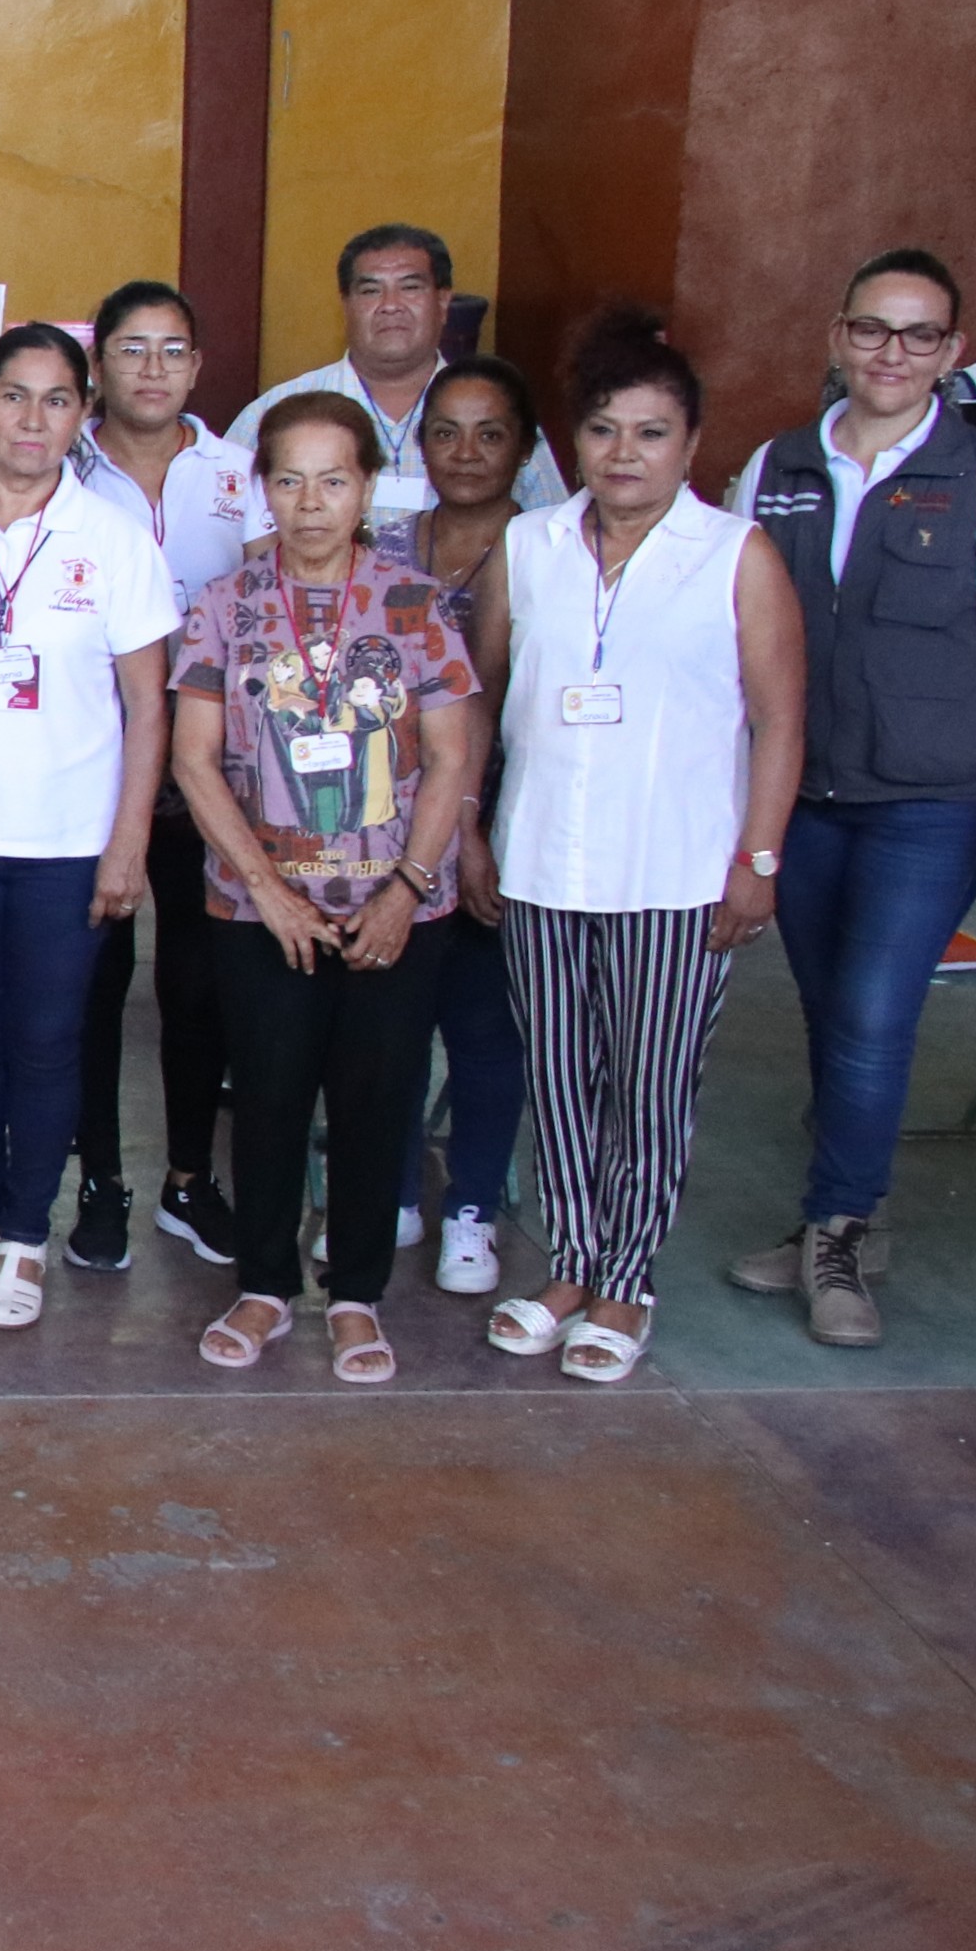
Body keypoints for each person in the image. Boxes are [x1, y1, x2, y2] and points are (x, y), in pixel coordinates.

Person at [725, 248, 976, 1348]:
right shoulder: (776, 465)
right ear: (837, 336)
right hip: (806, 790)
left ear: (952, 353)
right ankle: (849, 1207)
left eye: (920, 335)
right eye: (874, 329)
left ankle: (837, 1227)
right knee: (832, 1011)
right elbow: (729, 633)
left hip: (933, 796)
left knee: (874, 1011)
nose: (893, 353)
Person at [467, 313, 803, 1386]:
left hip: (675, 870)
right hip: (544, 863)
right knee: (560, 1078)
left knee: (649, 1089)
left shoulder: (735, 556)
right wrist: (471, 829)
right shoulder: (530, 546)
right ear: (575, 442)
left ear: (692, 443)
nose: (625, 453)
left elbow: (782, 719)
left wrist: (758, 860)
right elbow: (476, 698)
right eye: (605, 429)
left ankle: (627, 1280)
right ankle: (568, 1263)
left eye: (651, 432)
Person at [169, 394, 485, 1385]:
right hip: (263, 906)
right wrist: (267, 890)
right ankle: (263, 1284)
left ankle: (355, 1293)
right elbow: (191, 759)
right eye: (290, 480)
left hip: (396, 904)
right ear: (263, 490)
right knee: (263, 1093)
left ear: (367, 490)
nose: (311, 502)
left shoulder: (414, 603)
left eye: (334, 479)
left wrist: (407, 887)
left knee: (374, 1096)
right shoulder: (224, 605)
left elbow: (450, 754)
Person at [0, 324, 173, 1332]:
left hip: (69, 839)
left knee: (49, 1043)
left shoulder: (115, 536)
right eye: (16, 396)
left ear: (81, 413)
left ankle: (27, 1235)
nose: (33, 420)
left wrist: (129, 837)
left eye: (58, 401)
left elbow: (150, 702)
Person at [65, 281, 248, 1272]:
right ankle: (99, 1178)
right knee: (97, 979)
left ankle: (187, 1177)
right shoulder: (62, 469)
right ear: (100, 364)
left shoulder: (240, 473)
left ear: (198, 364)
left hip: (215, 770)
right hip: (94, 764)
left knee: (199, 981)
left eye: (172, 350)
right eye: (131, 349)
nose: (151, 369)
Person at [375, 353, 543, 1296]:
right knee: (392, 1015)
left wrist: (471, 827)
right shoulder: (385, 549)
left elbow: (491, 694)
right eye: (445, 432)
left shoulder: (554, 545)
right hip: (385, 815)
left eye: (490, 433)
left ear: (522, 448)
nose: (466, 452)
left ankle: (473, 1203)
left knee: (485, 1023)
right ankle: (392, 1185)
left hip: (510, 813)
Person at [229, 224, 567, 523]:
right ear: (345, 305)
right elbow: (224, 533)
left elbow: (553, 539)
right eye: (371, 290)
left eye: (410, 287)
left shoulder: (496, 415)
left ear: (444, 302)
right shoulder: (274, 414)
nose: (391, 305)